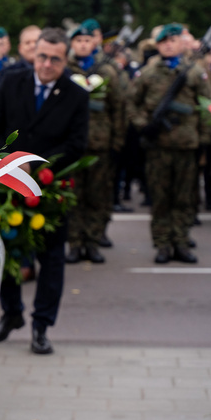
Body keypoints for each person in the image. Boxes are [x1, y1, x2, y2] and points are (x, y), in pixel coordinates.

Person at [0, 27, 89, 355]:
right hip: (9, 183)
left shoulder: (76, 95)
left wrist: (37, 168)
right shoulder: (12, 82)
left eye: (55, 59)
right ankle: (11, 314)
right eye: (42, 56)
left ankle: (42, 326)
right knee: (5, 252)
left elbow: (77, 145)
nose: (47, 64)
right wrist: (11, 162)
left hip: (50, 187)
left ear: (65, 60)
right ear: (33, 54)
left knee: (51, 259)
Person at [127, 23, 211, 263]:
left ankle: (181, 242)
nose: (168, 45)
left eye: (172, 41)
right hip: (158, 146)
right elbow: (131, 103)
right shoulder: (148, 72)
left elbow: (207, 106)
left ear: (181, 44)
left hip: (186, 146)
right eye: (163, 42)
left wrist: (204, 139)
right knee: (161, 198)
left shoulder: (194, 72)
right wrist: (145, 125)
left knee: (184, 198)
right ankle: (163, 244)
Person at [64, 23, 124, 264]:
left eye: (87, 41)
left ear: (95, 44)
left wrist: (118, 140)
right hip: (72, 143)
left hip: (100, 141)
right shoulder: (66, 70)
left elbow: (118, 107)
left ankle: (92, 241)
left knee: (97, 195)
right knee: (73, 195)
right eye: (78, 41)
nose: (82, 45)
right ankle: (75, 243)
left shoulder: (108, 70)